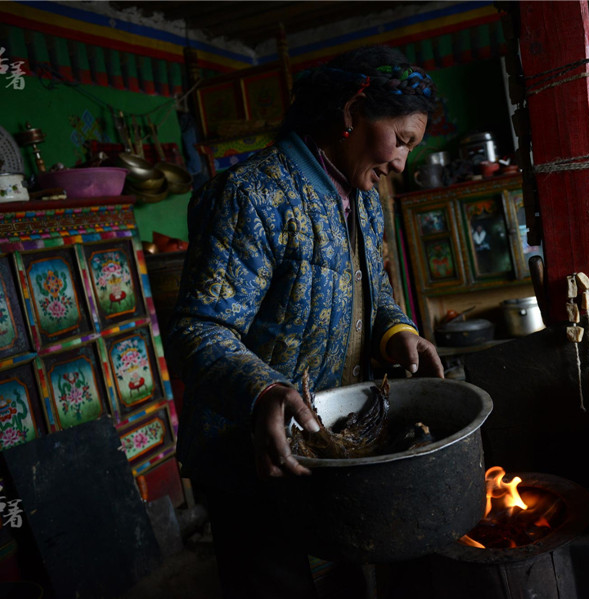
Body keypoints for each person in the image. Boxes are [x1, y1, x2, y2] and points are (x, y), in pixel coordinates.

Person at [167, 45, 444, 599]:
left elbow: (376, 288)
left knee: (344, 576)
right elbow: (198, 329)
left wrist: (397, 331)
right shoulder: (252, 195)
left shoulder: (362, 199)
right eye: (402, 140)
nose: (400, 164)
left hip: (324, 442)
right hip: (250, 452)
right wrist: (263, 388)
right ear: (350, 113)